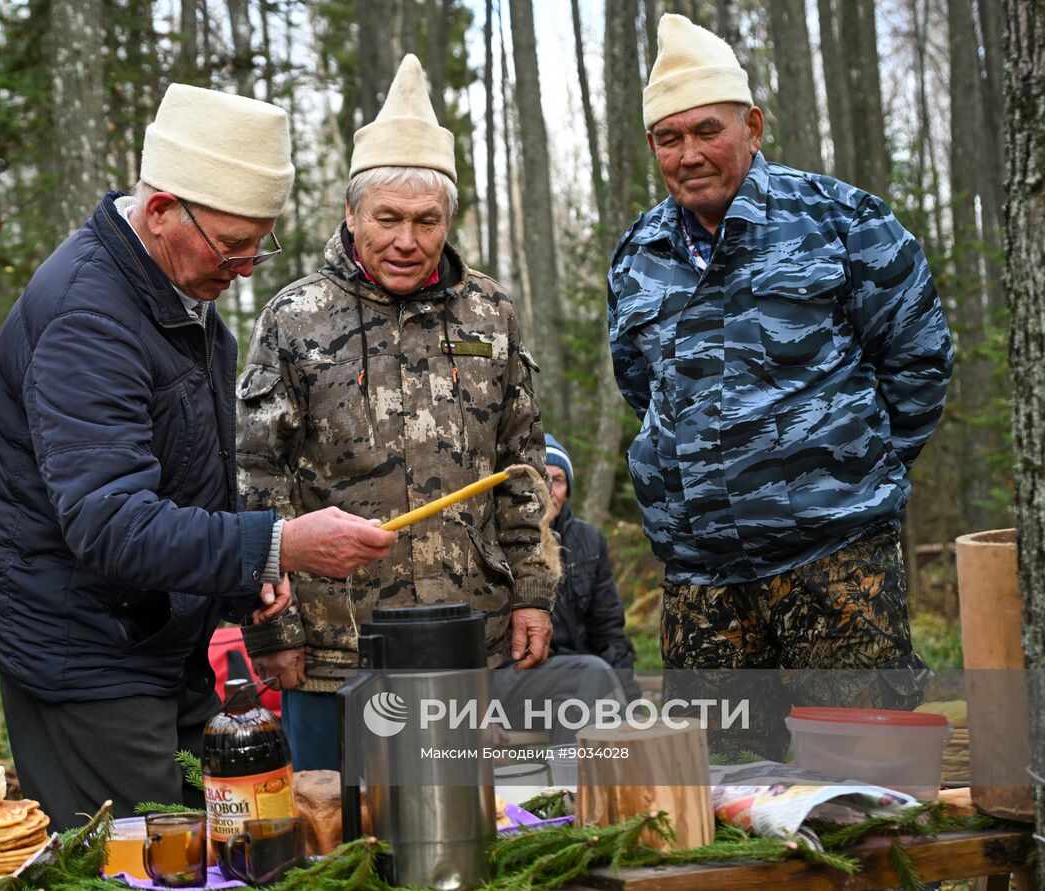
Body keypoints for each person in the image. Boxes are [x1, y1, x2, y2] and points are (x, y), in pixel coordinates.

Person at [0, 83, 397, 829]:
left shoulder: (179, 296)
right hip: (89, 659)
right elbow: (111, 522)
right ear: (162, 208)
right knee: (131, 862)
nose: (245, 267)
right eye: (232, 245)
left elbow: (183, 478)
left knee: (217, 843)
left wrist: (246, 576)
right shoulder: (88, 315)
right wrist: (276, 543)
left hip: (162, 643)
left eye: (257, 245)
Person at [608, 15, 952, 755]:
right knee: (724, 802)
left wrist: (849, 470)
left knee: (862, 792)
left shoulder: (842, 221)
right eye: (670, 139)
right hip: (702, 582)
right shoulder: (639, 255)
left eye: (708, 131)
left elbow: (918, 360)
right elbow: (643, 387)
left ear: (753, 126)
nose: (690, 155)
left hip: (834, 567)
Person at [236, 55, 557, 770]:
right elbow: (258, 482)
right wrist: (274, 627)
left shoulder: (490, 312)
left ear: (448, 220)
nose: (407, 240)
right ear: (351, 214)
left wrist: (533, 591)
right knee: (334, 841)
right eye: (387, 218)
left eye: (425, 220)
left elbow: (523, 465)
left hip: (464, 636)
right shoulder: (295, 318)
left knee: (463, 838)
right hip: (333, 643)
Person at [542, 434, 640, 702]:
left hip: (584, 671)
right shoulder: (505, 542)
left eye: (558, 480)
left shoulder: (589, 541)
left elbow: (607, 628)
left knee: (603, 705)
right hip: (533, 675)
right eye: (542, 479)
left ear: (568, 489)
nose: (550, 490)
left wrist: (629, 697)